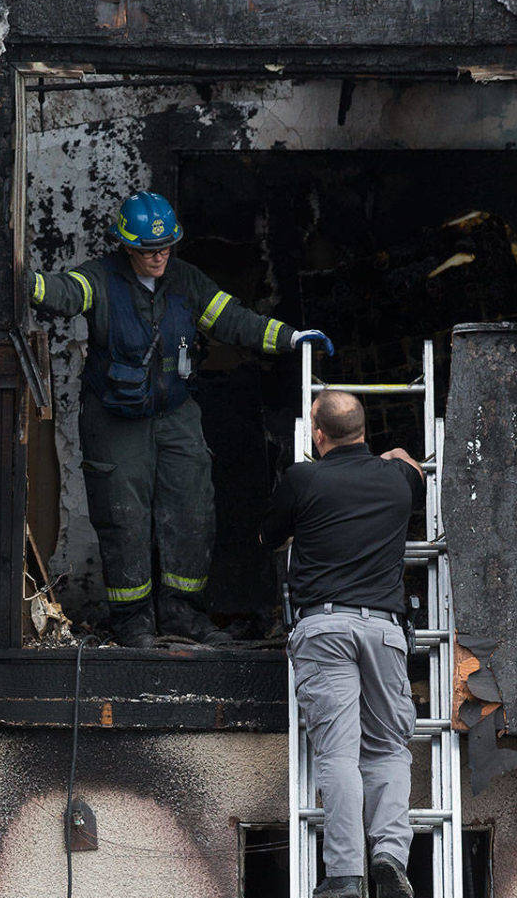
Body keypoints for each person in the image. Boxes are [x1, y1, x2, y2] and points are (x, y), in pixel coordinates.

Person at [31, 190, 333, 649]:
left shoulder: (186, 281)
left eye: (166, 247)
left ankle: (182, 613)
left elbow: (233, 320)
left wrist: (291, 338)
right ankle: (133, 622)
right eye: (149, 250)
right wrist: (22, 279)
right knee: (122, 515)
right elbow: (67, 293)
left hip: (175, 414)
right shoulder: (101, 277)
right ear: (127, 246)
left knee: (192, 508)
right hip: (114, 419)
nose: (159, 257)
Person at [260, 389, 425, 898]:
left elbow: (269, 537)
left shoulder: (303, 479)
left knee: (337, 753)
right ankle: (391, 856)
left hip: (324, 630)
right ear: (364, 430)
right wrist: (396, 458)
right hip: (383, 629)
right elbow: (411, 468)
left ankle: (346, 874)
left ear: (318, 433)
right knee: (391, 749)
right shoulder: (397, 479)